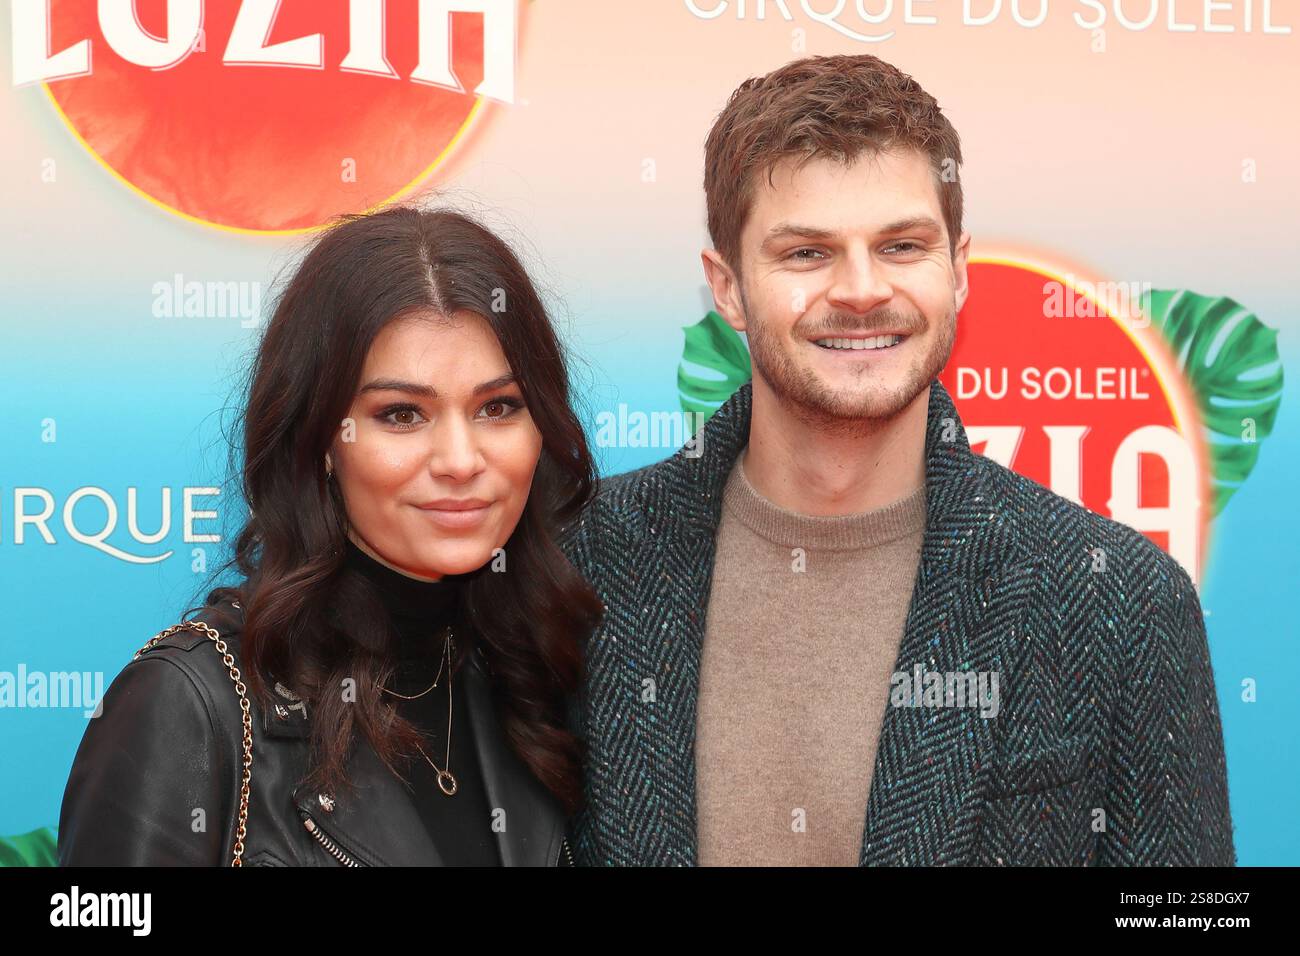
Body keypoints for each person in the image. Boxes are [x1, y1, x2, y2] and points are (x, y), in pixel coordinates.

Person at [558, 54, 1235, 866]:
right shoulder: (581, 564)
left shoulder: (1118, 598)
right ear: (727, 287)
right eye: (806, 253)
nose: (861, 289)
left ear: (959, 271)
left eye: (903, 245)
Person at [58, 205, 601, 866]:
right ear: (321, 440)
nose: (460, 460)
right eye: (401, 414)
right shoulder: (188, 709)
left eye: (498, 407)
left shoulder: (535, 681)